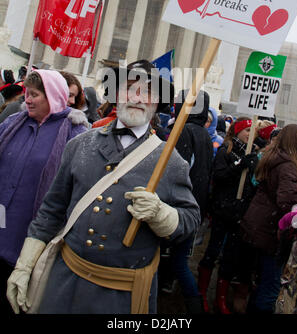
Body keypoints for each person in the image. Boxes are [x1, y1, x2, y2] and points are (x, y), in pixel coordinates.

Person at [7, 60, 200, 315]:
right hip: (62, 283)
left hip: (120, 296)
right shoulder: (79, 144)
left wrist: (162, 214)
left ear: (156, 104)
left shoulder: (171, 162)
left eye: (148, 91)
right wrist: (24, 266)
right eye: (129, 87)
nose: (137, 97)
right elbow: (51, 211)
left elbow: (190, 220)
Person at [0, 69, 88, 314]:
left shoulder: (76, 135)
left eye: (35, 95)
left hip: (31, 240)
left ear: (53, 96)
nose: (27, 99)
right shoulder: (12, 124)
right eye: (27, 93)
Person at [159, 89, 213, 313]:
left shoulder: (184, 131)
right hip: (194, 205)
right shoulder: (204, 135)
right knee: (178, 260)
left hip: (177, 207)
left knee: (175, 262)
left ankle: (192, 303)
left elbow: (175, 172)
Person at [197, 117, 258, 314]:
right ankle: (201, 294)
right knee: (212, 252)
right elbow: (219, 176)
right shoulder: (226, 151)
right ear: (238, 131)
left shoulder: (252, 154)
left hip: (238, 215)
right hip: (223, 211)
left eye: (253, 131)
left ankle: (220, 299)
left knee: (229, 257)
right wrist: (240, 167)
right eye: (247, 130)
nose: (251, 134)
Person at [241, 124, 297, 313]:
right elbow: (287, 200)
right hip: (270, 231)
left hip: (259, 226)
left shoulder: (274, 158)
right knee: (271, 286)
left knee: (261, 283)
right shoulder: (288, 165)